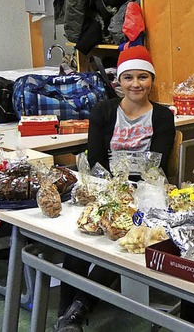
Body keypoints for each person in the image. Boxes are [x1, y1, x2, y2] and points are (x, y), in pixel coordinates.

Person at [56, 45, 176, 332]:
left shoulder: (162, 116)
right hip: (107, 188)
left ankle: (76, 311)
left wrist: (134, 196)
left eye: (143, 77)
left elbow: (156, 166)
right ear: (118, 81)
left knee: (120, 241)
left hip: (147, 196)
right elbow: (96, 158)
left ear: (152, 80)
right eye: (129, 77)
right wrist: (113, 194)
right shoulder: (103, 111)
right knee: (78, 241)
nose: (136, 84)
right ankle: (64, 312)